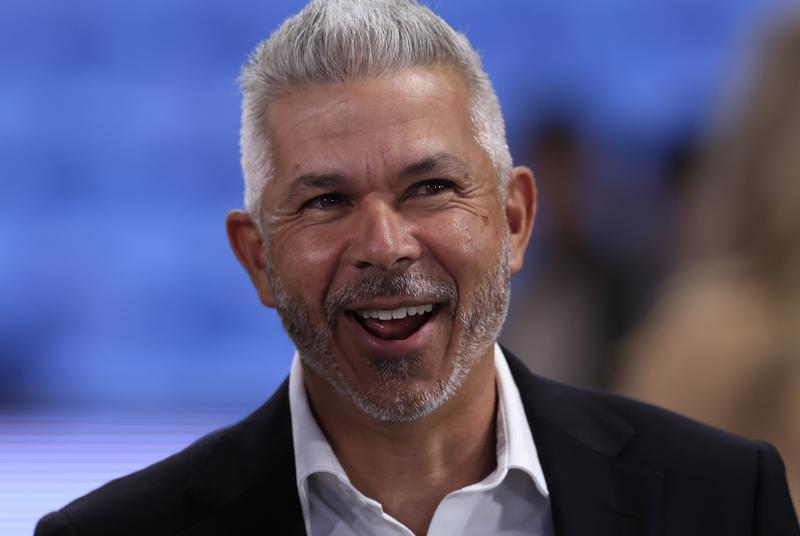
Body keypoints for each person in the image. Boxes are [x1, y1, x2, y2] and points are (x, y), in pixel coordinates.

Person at [36, 1, 798, 534]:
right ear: (257, 257)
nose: (386, 244)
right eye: (327, 201)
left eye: (429, 188)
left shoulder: (724, 499)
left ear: (515, 220)